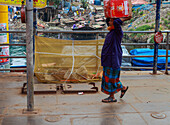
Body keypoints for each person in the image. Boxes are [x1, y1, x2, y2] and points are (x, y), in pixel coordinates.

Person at [101, 17, 131, 103]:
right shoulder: (111, 32)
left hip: (113, 59)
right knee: (112, 78)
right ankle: (123, 88)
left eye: (111, 20)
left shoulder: (118, 32)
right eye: (109, 21)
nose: (110, 22)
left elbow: (117, 23)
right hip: (108, 59)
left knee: (111, 79)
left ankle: (112, 97)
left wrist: (124, 19)